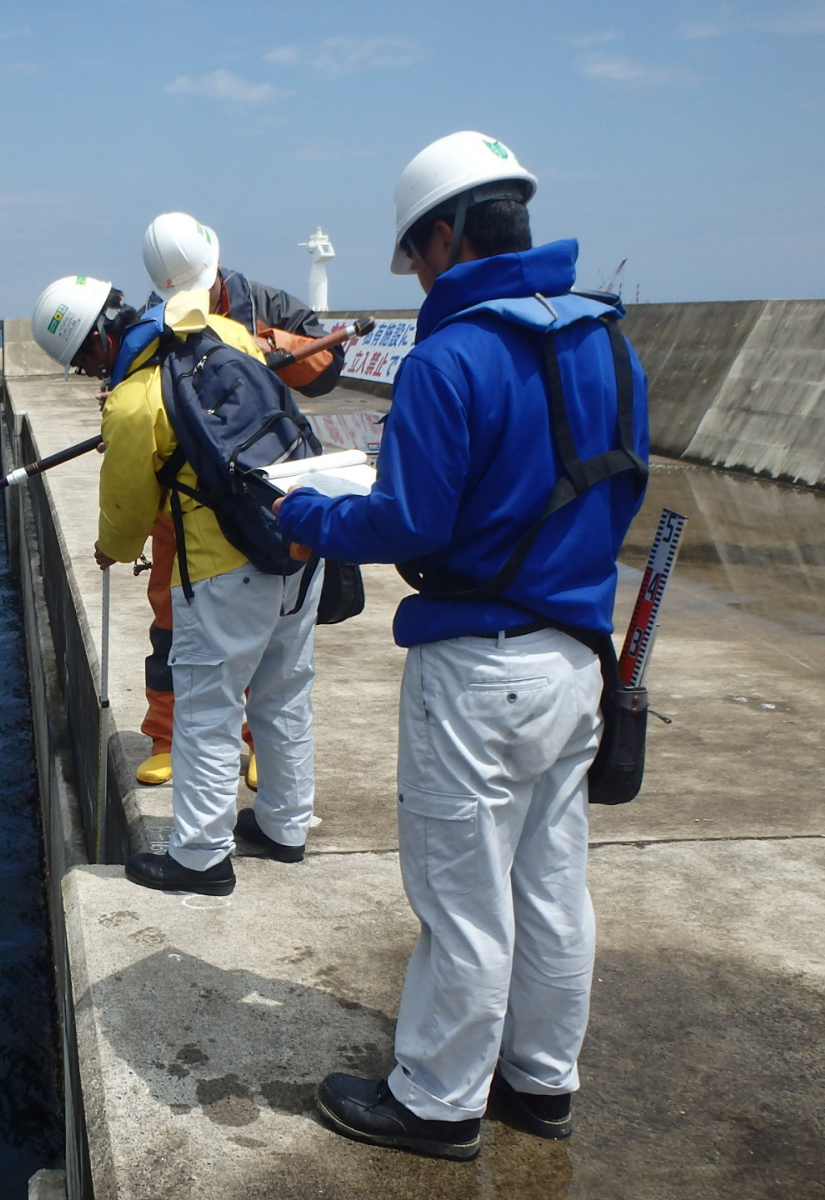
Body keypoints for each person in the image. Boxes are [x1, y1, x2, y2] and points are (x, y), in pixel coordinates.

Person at [275, 132, 650, 1159]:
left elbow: (410, 525)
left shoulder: (450, 356)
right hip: (578, 654)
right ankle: (541, 1081)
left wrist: (307, 518)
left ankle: (437, 1102)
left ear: (442, 235)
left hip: (477, 666)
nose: (417, 276)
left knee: (460, 898)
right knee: (550, 882)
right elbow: (620, 485)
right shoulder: (610, 341)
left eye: (415, 256)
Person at [30, 275, 324, 894]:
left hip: (223, 570)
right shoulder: (222, 330)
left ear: (94, 348)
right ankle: (284, 826)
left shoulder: (136, 400)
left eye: (85, 367)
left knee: (206, 712)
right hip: (299, 542)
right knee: (284, 693)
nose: (91, 378)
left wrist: (112, 550)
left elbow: (129, 504)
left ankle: (199, 858)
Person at [132, 213, 346, 789]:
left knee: (268, 632)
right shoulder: (155, 318)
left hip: (261, 491)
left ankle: (254, 742)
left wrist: (268, 344)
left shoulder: (268, 304)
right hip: (182, 496)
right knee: (168, 616)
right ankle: (166, 734)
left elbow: (327, 369)